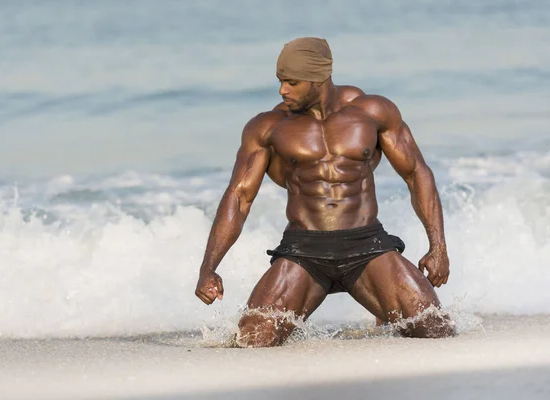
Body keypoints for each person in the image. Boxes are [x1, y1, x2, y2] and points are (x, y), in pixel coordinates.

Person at [195, 37, 455, 347]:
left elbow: (417, 173)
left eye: (292, 82)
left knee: (435, 329)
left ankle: (385, 310)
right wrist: (209, 267)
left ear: (319, 79)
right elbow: (239, 197)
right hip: (304, 251)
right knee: (253, 339)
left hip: (366, 245)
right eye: (280, 81)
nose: (282, 90)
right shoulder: (269, 127)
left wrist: (437, 246)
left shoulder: (372, 113)